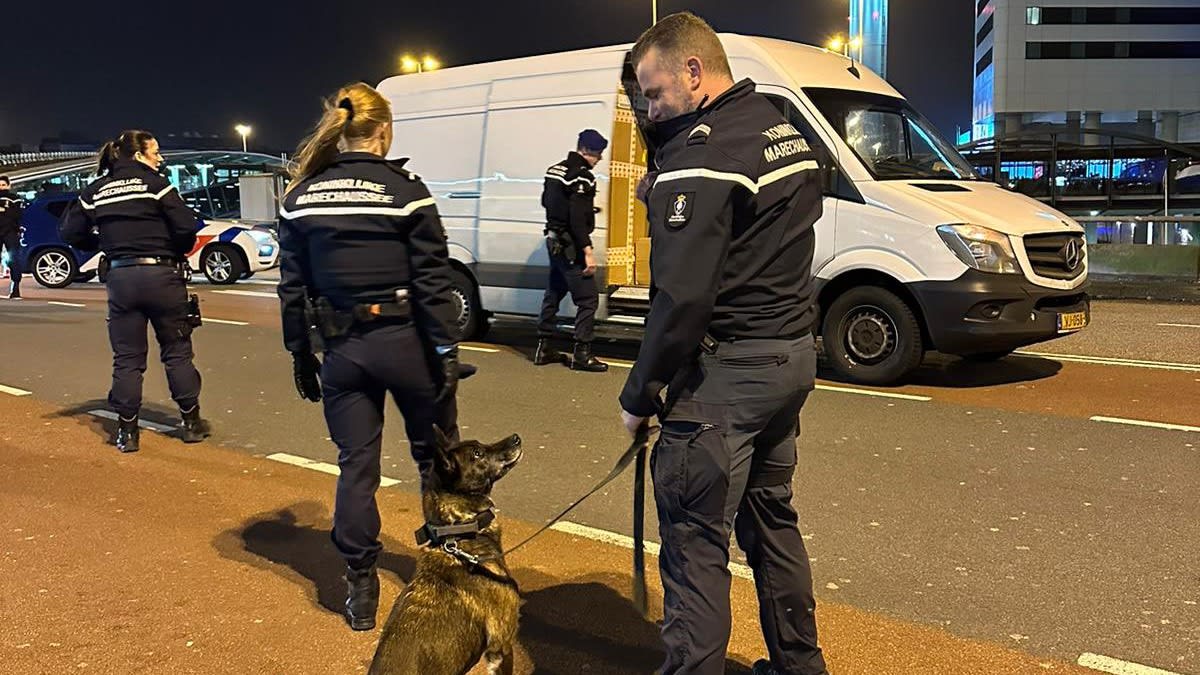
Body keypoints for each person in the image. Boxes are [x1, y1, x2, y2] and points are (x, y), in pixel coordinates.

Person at [616, 13, 829, 675]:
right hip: (789, 357)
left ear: (693, 72)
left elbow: (681, 300)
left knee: (694, 546)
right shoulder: (777, 123)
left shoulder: (701, 155)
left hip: (724, 378)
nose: (649, 110)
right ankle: (800, 665)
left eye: (653, 94)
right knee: (772, 524)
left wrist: (640, 393)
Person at [276, 82, 465, 632]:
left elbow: (293, 287)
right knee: (435, 458)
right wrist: (446, 349)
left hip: (343, 349)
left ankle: (360, 584)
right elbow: (433, 280)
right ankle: (446, 566)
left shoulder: (301, 196)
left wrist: (299, 353)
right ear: (383, 131)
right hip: (405, 342)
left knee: (356, 467)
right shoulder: (406, 191)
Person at [61, 131, 211, 453]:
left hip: (121, 276)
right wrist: (173, 250)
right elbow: (187, 226)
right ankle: (191, 423)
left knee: (127, 358)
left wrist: (103, 245)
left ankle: (127, 432)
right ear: (140, 155)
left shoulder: (96, 190)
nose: (160, 158)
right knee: (177, 351)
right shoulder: (156, 185)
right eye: (155, 152)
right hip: (162, 275)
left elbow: (70, 231)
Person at [533, 129, 609, 372]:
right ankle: (582, 354)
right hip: (570, 245)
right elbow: (577, 217)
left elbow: (546, 202)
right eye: (598, 154)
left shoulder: (554, 170)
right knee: (588, 299)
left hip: (553, 240)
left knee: (554, 291)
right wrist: (586, 250)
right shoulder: (582, 177)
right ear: (587, 151)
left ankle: (544, 348)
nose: (599, 160)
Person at [0, 175, 23, 300]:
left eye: (3, 185)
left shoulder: (15, 199)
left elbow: (17, 215)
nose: (1, 188)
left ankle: (15, 288)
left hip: (11, 232)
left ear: (8, 185)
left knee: (14, 260)